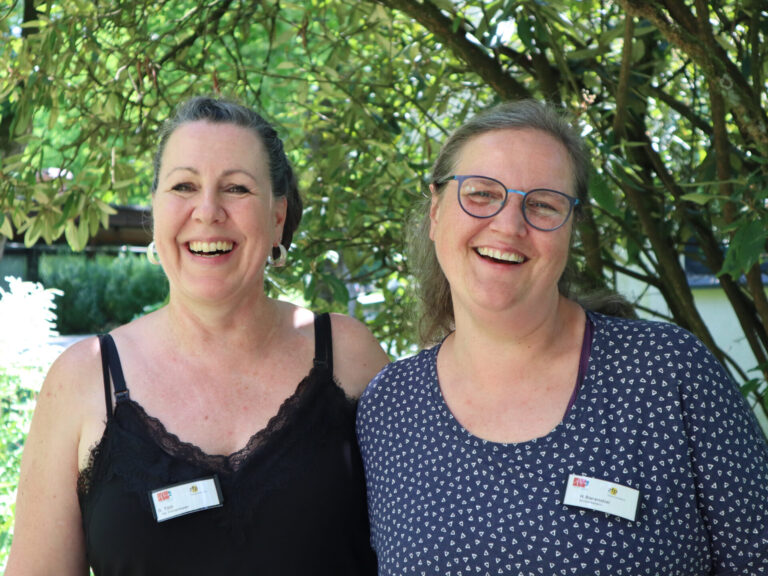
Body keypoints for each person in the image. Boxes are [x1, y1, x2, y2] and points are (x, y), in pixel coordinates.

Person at [357, 100, 768, 575]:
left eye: (542, 205)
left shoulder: (667, 373)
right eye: (483, 194)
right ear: (435, 211)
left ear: (570, 229)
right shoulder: (390, 407)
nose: (509, 225)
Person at [7, 96, 389, 575]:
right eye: (184, 185)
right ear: (155, 212)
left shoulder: (349, 359)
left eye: (237, 189)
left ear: (277, 218)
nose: (207, 211)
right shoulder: (83, 380)